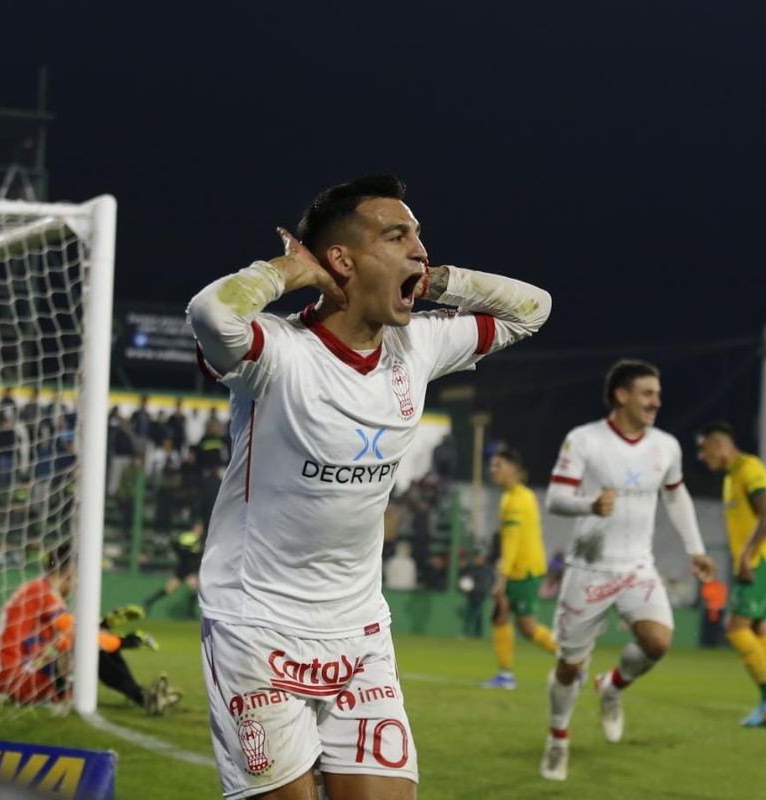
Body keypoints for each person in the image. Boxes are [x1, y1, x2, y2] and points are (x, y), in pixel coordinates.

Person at [187, 175, 550, 800]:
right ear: (342, 260)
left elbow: (533, 309)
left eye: (419, 237)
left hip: (360, 633)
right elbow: (210, 312)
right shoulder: (278, 352)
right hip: (256, 626)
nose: (419, 249)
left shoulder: (418, 346)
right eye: (397, 236)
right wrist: (289, 269)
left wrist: (436, 282)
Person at [540, 360, 715, 782]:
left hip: (638, 567)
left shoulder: (666, 446)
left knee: (658, 641)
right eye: (647, 393)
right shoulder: (584, 440)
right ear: (622, 395)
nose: (656, 401)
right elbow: (555, 499)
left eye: (657, 394)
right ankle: (558, 739)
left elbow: (675, 496)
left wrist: (696, 549)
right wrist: (589, 505)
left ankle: (612, 687)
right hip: (589, 568)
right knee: (569, 667)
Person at [0, 543, 180, 715]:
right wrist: (124, 641)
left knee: (91, 641)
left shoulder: (37, 589)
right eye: (77, 576)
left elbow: (68, 635)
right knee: (87, 647)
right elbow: (79, 636)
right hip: (21, 678)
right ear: (69, 572)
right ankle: (142, 697)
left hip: (19, 672)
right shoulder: (43, 593)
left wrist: (104, 625)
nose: (77, 584)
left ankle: (138, 694)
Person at [697, 421, 766, 728]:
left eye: (704, 449)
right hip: (764, 560)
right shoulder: (731, 477)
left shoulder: (749, 468)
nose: (702, 456)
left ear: (719, 445)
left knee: (736, 627)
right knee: (762, 628)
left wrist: (747, 556)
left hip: (760, 561)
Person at [482, 448, 556, 689]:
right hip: (520, 568)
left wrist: (502, 577)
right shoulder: (517, 495)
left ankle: (574, 661)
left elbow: (513, 541)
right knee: (500, 616)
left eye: (498, 465)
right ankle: (505, 675)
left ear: (513, 468)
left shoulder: (516, 500)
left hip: (523, 571)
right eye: (492, 465)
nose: (493, 470)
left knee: (527, 627)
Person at [143, 519, 205, 616]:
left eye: (201, 527)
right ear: (194, 527)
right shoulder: (187, 536)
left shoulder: (200, 539)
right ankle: (149, 602)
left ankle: (149, 601)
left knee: (190, 588)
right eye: (199, 527)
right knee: (170, 589)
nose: (200, 529)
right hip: (184, 568)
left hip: (188, 568)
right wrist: (189, 549)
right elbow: (179, 548)